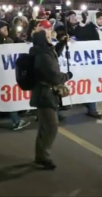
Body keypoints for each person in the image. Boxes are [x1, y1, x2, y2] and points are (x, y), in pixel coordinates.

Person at [30, 27, 72, 170]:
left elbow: (54, 54)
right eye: (48, 35)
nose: (51, 35)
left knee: (45, 126)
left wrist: (61, 43)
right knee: (51, 125)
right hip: (44, 95)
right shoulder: (42, 56)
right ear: (43, 39)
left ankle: (40, 155)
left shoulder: (45, 52)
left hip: (45, 94)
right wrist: (66, 76)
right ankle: (44, 155)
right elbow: (54, 76)